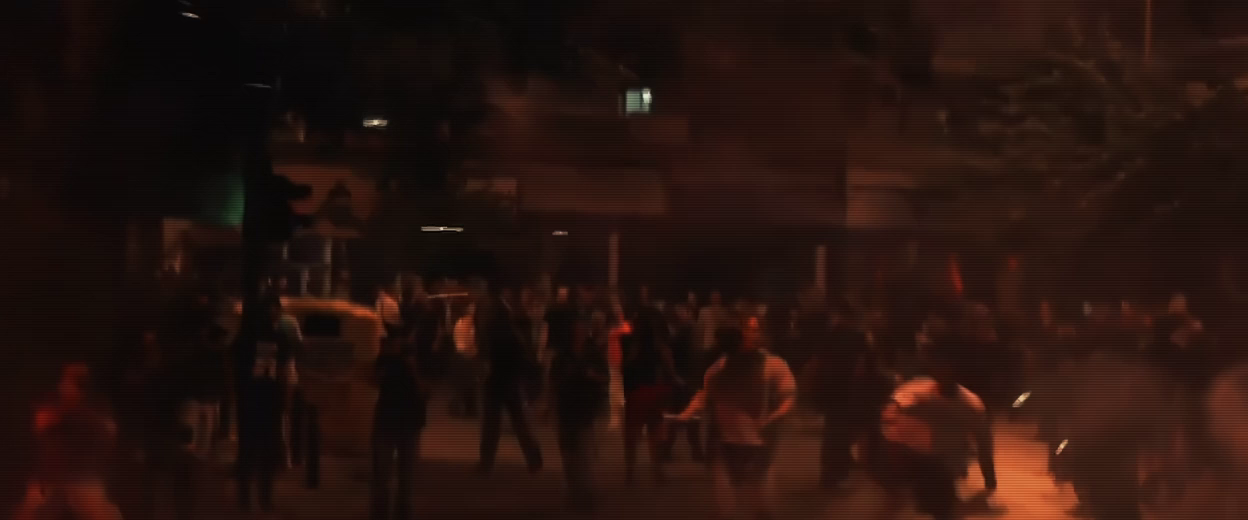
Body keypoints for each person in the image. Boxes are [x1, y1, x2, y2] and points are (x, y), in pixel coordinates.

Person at [674, 326, 798, 520]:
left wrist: (774, 417)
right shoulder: (720, 367)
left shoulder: (771, 364)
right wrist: (688, 412)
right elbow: (704, 395)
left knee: (758, 489)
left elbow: (788, 396)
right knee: (727, 489)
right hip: (726, 439)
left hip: (758, 439)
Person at [873, 351, 997, 520]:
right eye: (939, 369)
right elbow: (892, 412)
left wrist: (989, 477)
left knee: (940, 506)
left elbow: (984, 442)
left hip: (943, 462)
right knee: (931, 503)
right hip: (921, 459)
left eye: (947, 370)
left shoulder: (970, 405)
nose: (941, 373)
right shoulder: (918, 391)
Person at [17, 363, 123, 520]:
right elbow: (42, 422)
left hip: (84, 479)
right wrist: (70, 412)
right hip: (49, 478)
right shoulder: (52, 403)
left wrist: (79, 415)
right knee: (29, 512)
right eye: (68, 379)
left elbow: (109, 430)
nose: (65, 384)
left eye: (77, 380)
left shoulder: (97, 407)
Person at [233, 297, 299, 514]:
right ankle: (263, 499)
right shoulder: (279, 337)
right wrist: (286, 400)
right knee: (265, 453)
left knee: (249, 451)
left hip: (252, 400)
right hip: (268, 400)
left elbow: (233, 366)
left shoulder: (245, 337)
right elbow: (284, 371)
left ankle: (246, 500)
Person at [799, 307, 873, 489]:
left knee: (834, 430)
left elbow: (815, 362)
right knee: (843, 431)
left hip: (830, 389)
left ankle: (833, 471)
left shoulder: (829, 335)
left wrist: (808, 387)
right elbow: (861, 365)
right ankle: (835, 474)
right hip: (847, 389)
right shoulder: (858, 337)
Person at [476, 290, 544, 474]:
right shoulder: (513, 327)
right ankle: (533, 459)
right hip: (510, 378)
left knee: (492, 423)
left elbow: (491, 353)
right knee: (518, 421)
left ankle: (486, 463)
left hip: (498, 379)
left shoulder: (494, 328)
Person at [622, 287, 680, 486]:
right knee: (655, 430)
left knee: (633, 432)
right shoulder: (659, 343)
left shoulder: (631, 340)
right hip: (655, 386)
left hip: (636, 388)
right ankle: (656, 471)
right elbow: (668, 361)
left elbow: (625, 364)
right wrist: (675, 378)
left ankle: (631, 473)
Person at [550, 321, 610, 512]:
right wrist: (550, 406)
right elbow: (553, 382)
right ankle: (573, 494)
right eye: (576, 331)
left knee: (584, 455)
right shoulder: (562, 356)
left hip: (584, 410)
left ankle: (586, 496)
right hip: (566, 409)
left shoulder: (593, 355)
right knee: (568, 456)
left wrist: (592, 376)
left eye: (582, 331)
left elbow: (605, 377)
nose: (579, 334)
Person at [370, 335, 430, 520]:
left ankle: (403, 511)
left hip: (409, 422)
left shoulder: (419, 359)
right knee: (382, 474)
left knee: (406, 474)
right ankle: (381, 512)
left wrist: (412, 368)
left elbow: (425, 390)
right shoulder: (386, 359)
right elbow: (374, 380)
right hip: (387, 421)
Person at [660, 302, 706, 463]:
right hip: (685, 378)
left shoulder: (687, 331)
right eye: (678, 311)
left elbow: (669, 351)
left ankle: (673, 451)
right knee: (685, 415)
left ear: (689, 312)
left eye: (682, 311)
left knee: (681, 415)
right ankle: (692, 451)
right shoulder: (686, 331)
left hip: (684, 378)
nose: (678, 314)